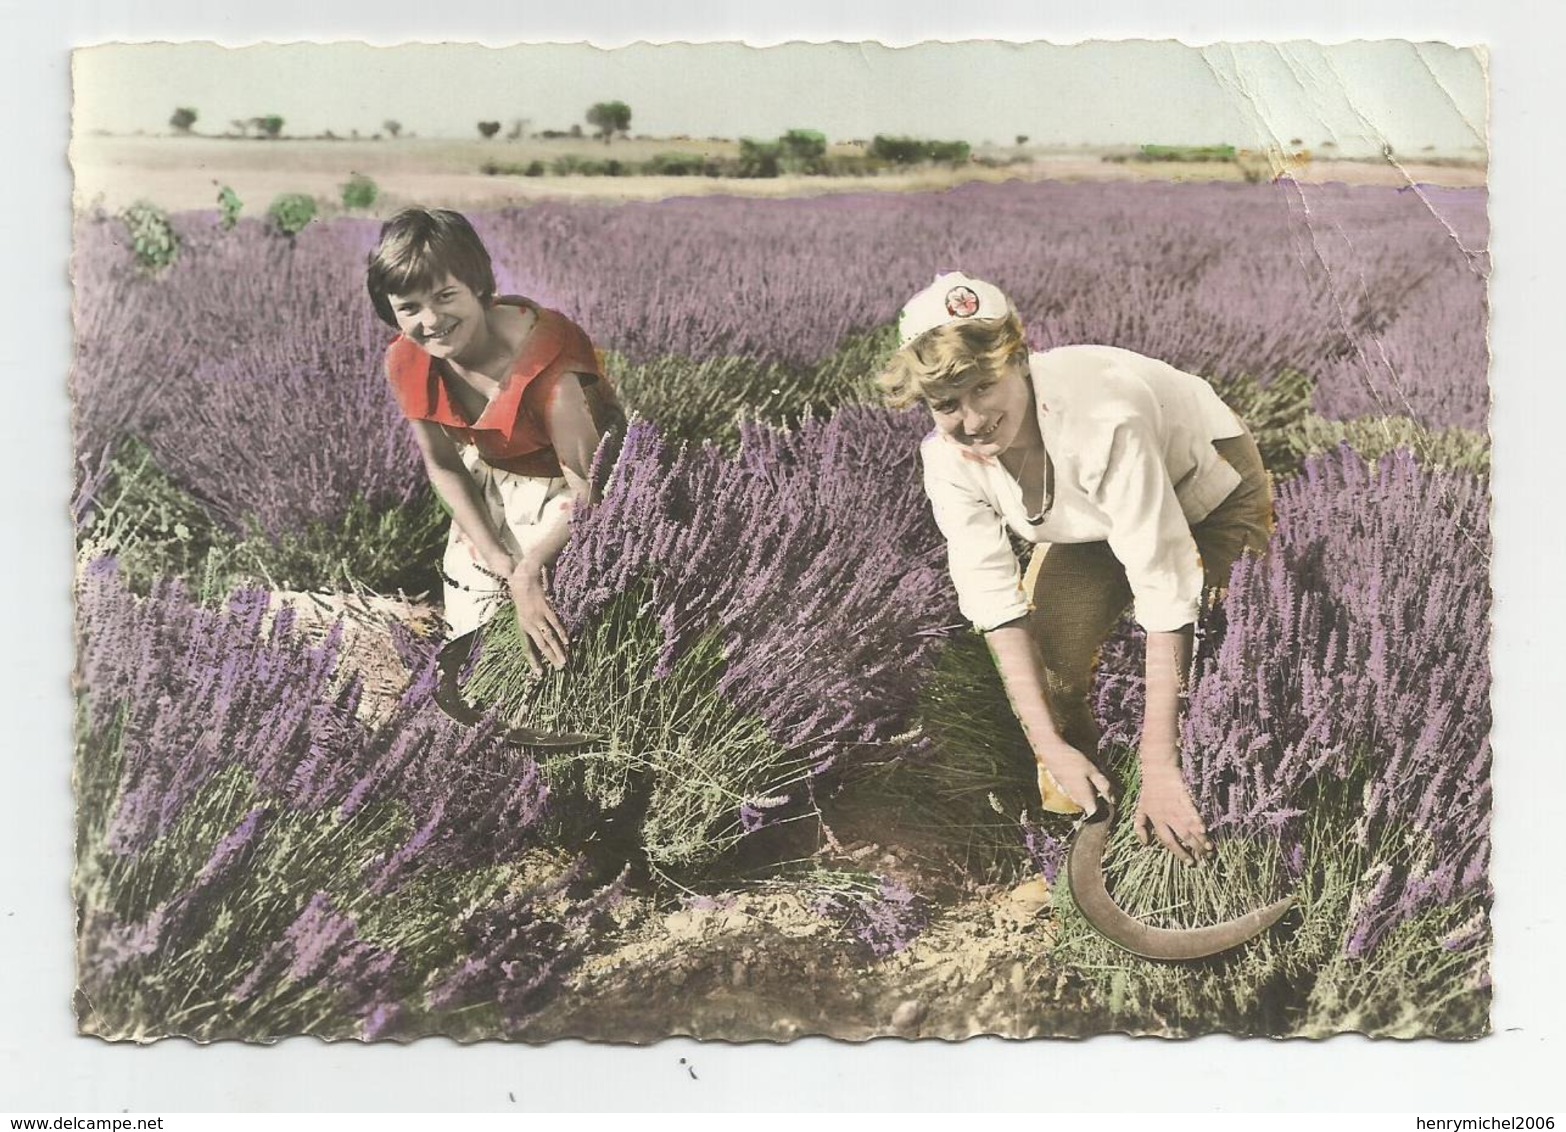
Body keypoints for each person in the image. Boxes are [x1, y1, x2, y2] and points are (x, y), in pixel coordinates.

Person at [879, 273, 1273, 864]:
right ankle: (1090, 834)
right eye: (945, 404)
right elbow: (996, 608)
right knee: (1053, 661)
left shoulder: (1105, 419)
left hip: (1207, 487)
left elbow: (1165, 590)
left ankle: (1206, 837)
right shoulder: (946, 460)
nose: (973, 419)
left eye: (984, 387)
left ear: (1020, 358)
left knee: (1224, 653)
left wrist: (1158, 763)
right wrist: (1050, 747)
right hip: (1087, 516)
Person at [366, 207, 623, 674]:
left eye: (446, 296)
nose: (431, 320)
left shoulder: (550, 372)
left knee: (558, 628)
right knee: (474, 631)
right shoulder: (408, 359)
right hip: (494, 477)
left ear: (479, 287)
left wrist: (528, 570)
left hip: (570, 494)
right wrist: (498, 559)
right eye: (410, 307)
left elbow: (592, 493)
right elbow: (443, 463)